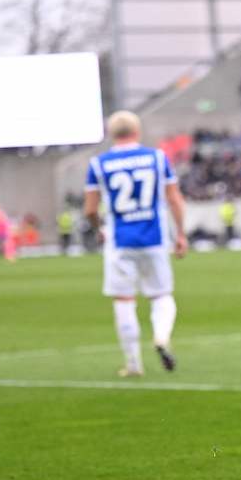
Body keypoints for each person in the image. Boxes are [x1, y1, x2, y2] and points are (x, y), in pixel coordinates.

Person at [84, 111, 188, 377]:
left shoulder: (99, 164)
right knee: (161, 295)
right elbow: (174, 198)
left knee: (124, 300)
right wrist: (180, 234)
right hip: (154, 238)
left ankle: (133, 364)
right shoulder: (156, 157)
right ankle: (162, 336)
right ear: (137, 131)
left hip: (120, 241)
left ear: (111, 134)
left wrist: (99, 230)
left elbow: (90, 209)